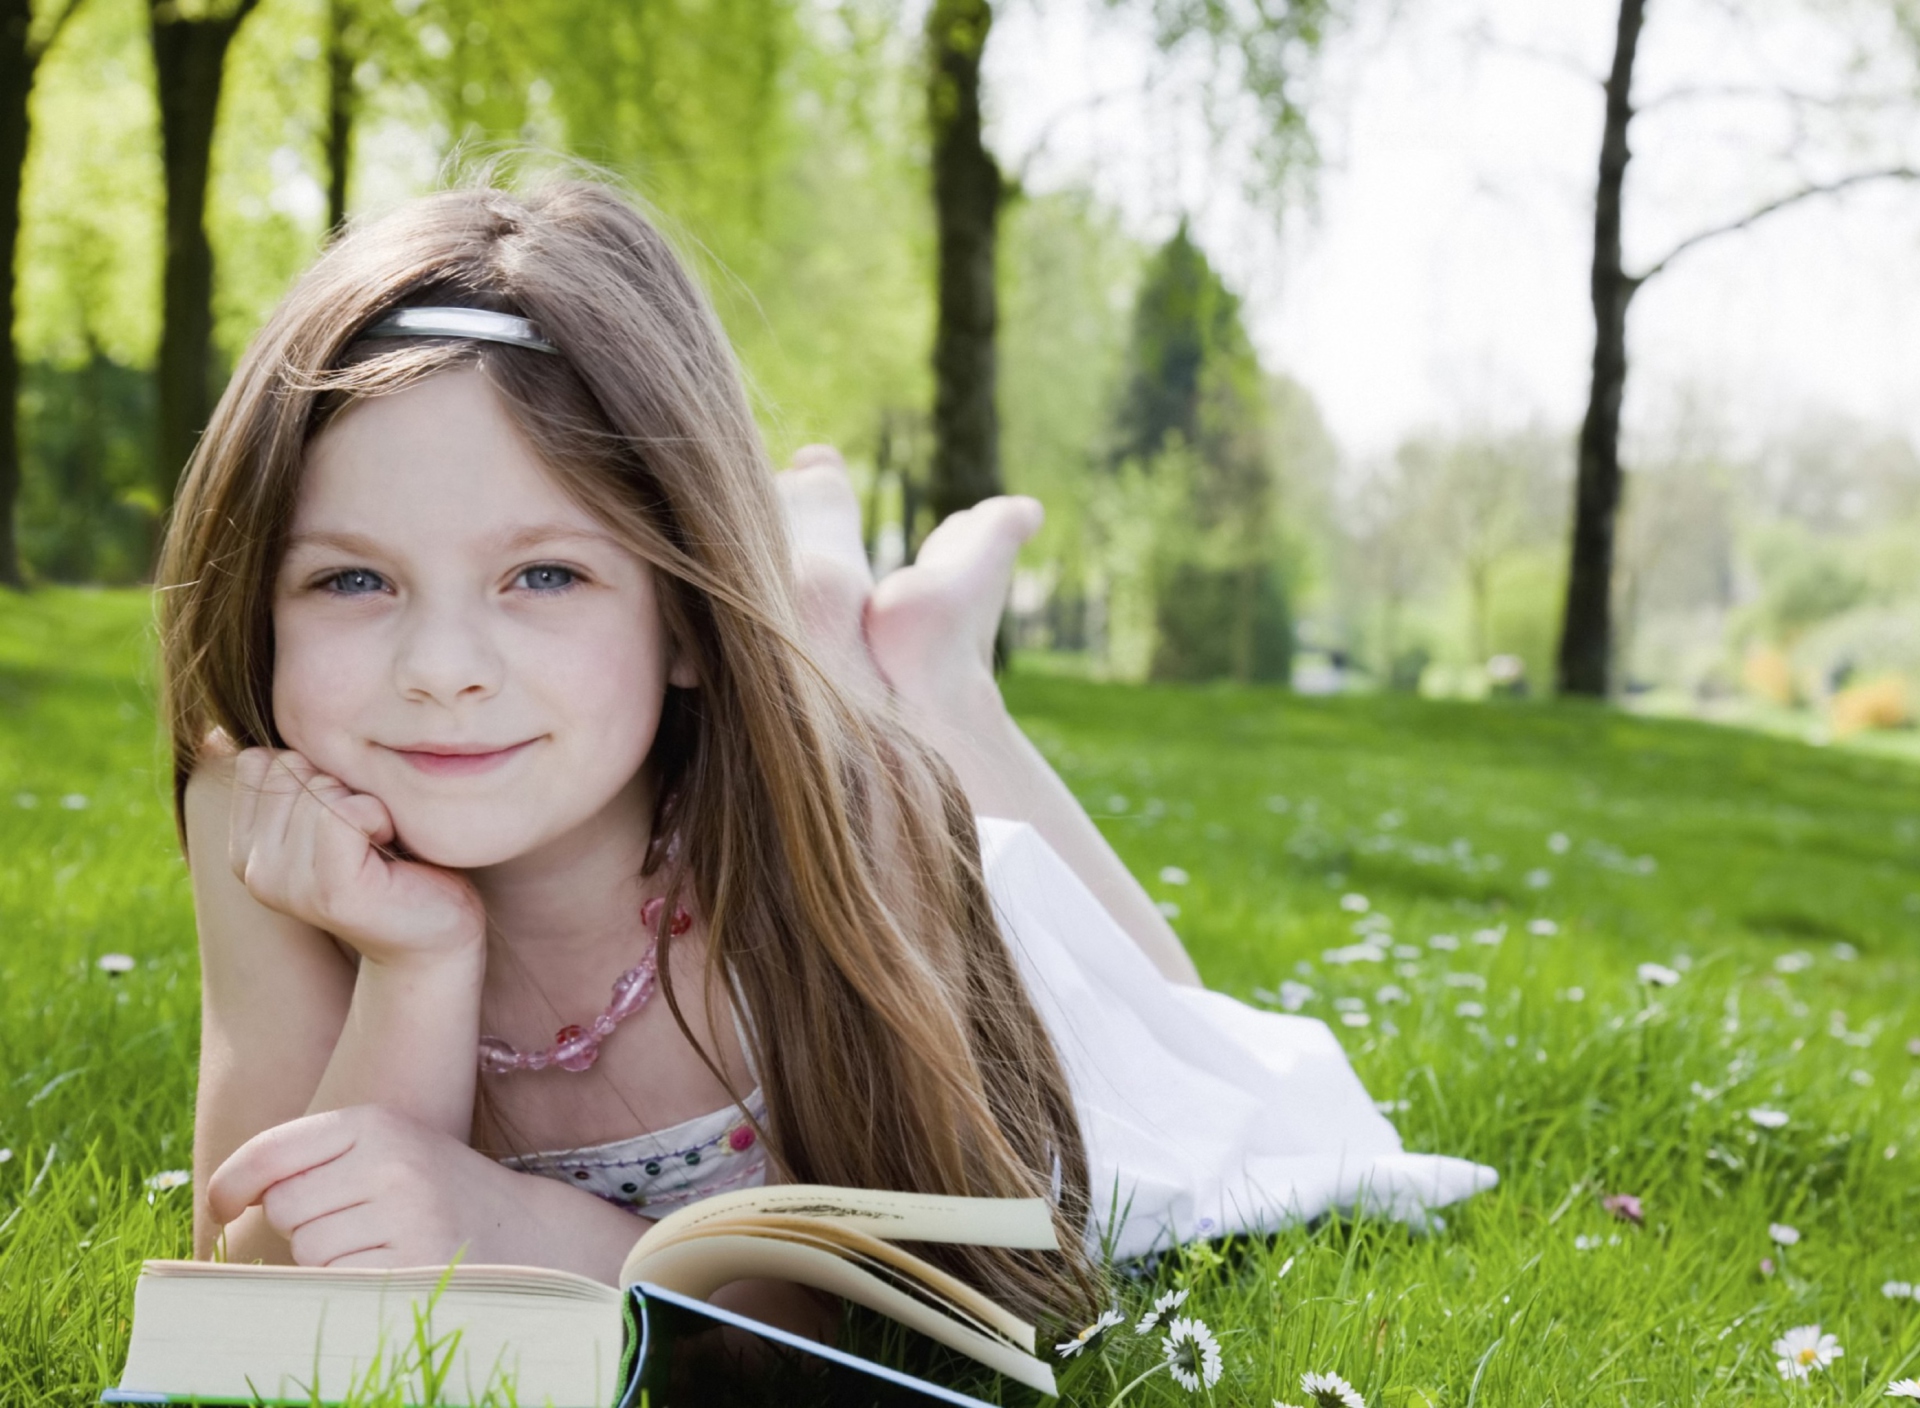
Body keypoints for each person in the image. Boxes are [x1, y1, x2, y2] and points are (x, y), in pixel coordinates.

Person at [161, 181, 1492, 1338]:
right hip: (790, 736)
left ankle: (927, 676)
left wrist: (544, 1235)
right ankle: (828, 620)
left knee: (1191, 1041)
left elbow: (965, 1271)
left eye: (545, 574)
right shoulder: (267, 822)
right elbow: (261, 1278)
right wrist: (416, 960)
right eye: (350, 582)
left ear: (683, 616)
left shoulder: (830, 837)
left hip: (957, 922)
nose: (441, 667)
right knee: (826, 705)